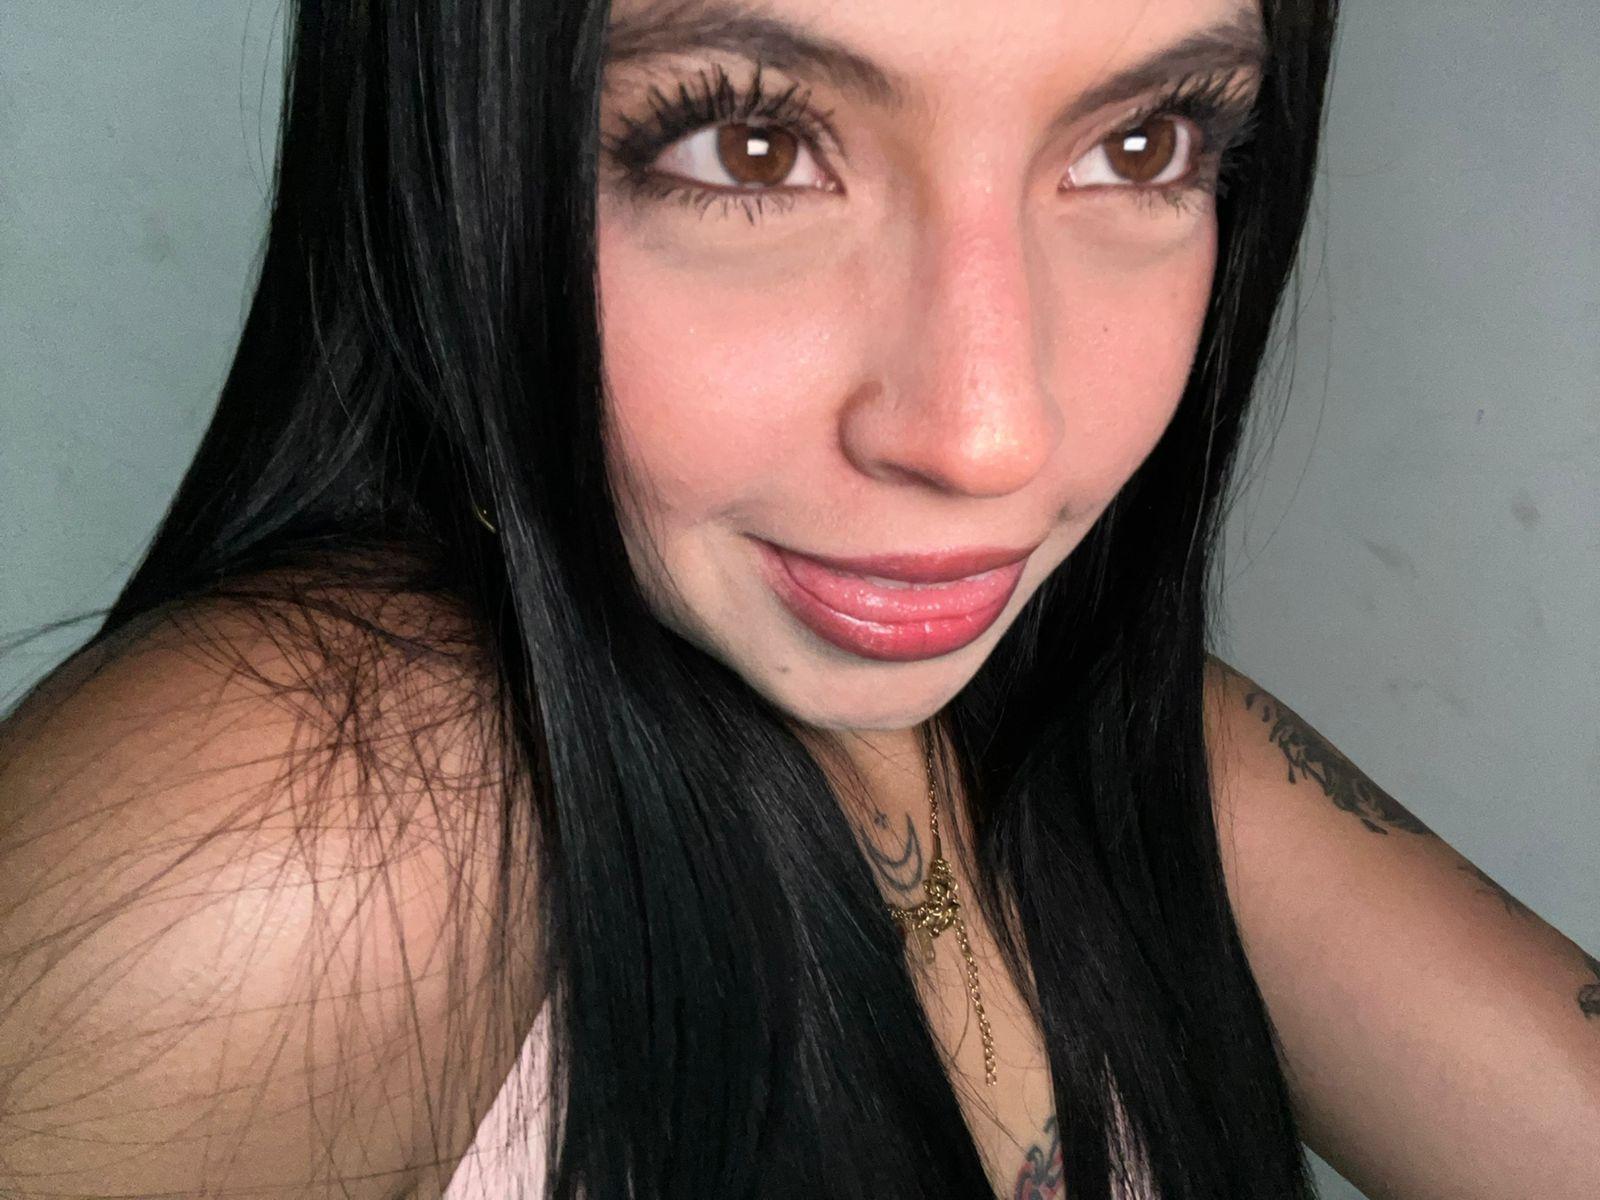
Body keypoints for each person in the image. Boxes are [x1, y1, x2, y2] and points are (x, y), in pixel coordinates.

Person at [1, 0, 1595, 1197]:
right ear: (456, 154)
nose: (989, 436)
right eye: (750, 147)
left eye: (1143, 145)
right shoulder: (297, 827)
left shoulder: (1114, 730)